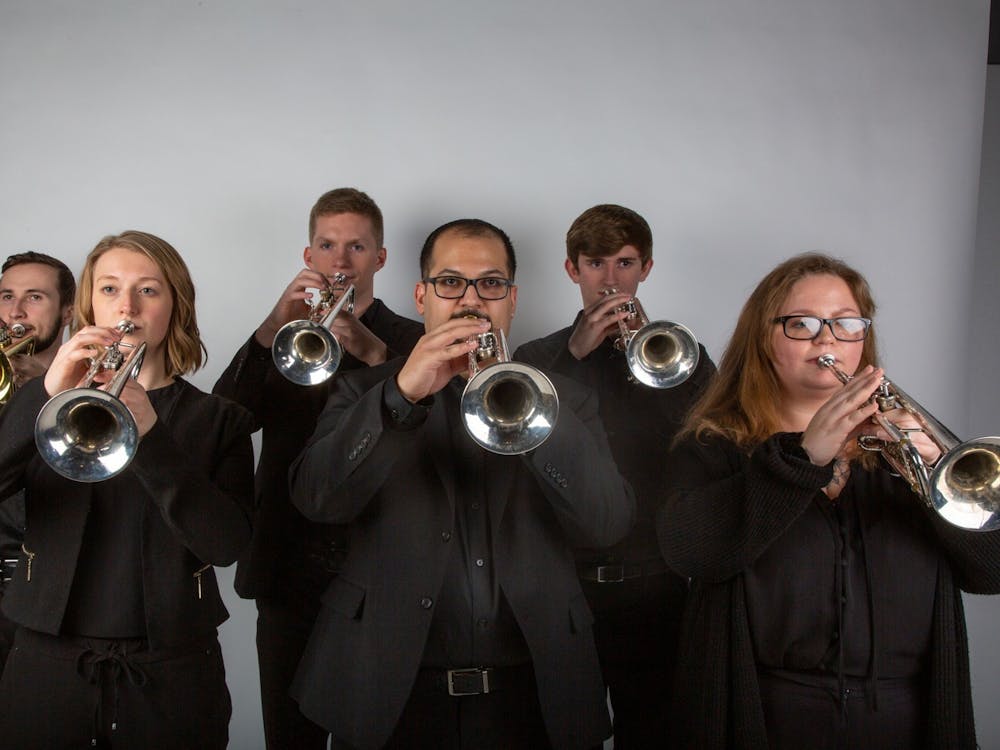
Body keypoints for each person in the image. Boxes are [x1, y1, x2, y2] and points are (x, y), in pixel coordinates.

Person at [289, 218, 635, 749]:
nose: (471, 300)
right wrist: (400, 397)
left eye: (491, 284)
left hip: (535, 695)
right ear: (422, 296)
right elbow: (317, 499)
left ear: (512, 300)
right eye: (451, 282)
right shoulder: (363, 391)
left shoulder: (567, 399)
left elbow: (607, 522)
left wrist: (533, 414)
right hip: (389, 693)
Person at [657, 252, 1000, 749]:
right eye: (802, 324)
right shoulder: (715, 447)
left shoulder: (903, 449)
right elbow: (692, 553)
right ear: (763, 338)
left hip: (906, 717)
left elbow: (991, 572)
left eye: (846, 324)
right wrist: (804, 457)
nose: (827, 341)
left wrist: (936, 480)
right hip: (769, 715)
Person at [0, 231, 254, 749]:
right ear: (89, 303)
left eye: (149, 290)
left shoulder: (218, 419)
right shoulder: (40, 402)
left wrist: (153, 436)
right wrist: (48, 393)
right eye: (110, 289)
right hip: (44, 661)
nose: (128, 307)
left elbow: (227, 545)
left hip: (173, 670)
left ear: (174, 306)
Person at [213, 187, 423, 749]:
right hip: (286, 565)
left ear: (380, 259)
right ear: (308, 257)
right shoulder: (282, 338)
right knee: (289, 736)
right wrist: (270, 326)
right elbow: (227, 419)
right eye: (327, 245)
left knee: (371, 735)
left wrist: (372, 351)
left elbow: (430, 428)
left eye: (357, 247)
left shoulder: (411, 341)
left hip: (375, 568)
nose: (340, 261)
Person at [515, 204, 715, 746]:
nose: (610, 281)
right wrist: (574, 358)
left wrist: (658, 365)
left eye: (624, 264)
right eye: (596, 263)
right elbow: (520, 460)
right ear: (571, 269)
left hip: (656, 588)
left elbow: (713, 453)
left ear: (646, 269)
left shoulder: (680, 356)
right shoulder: (535, 358)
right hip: (564, 589)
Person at [0, 251, 76, 672]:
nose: (15, 311)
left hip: (52, 592)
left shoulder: (92, 389)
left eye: (34, 297)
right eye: (6, 295)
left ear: (67, 311)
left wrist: (39, 395)